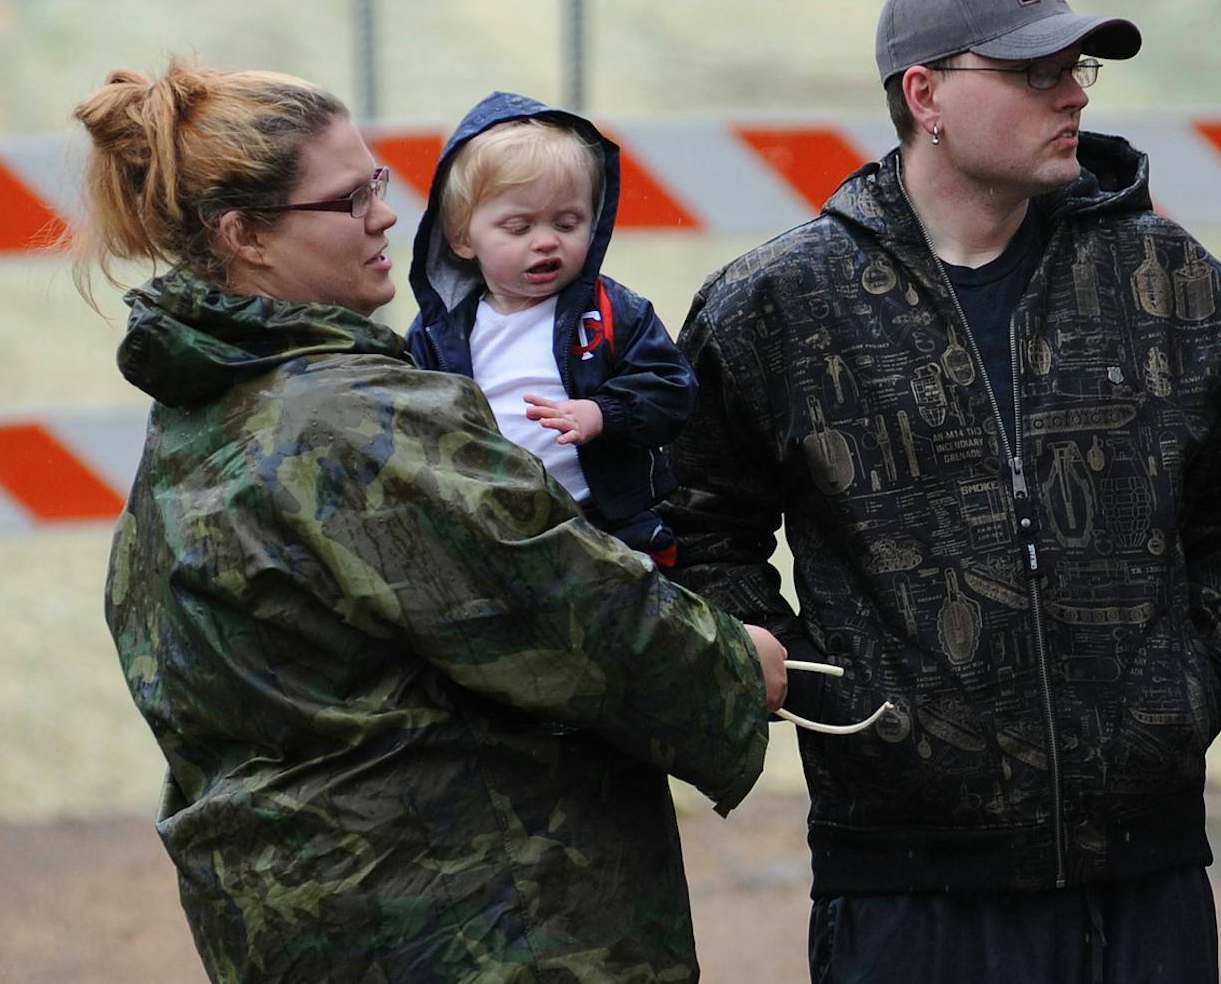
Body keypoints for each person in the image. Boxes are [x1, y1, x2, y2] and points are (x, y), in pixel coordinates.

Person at [71, 61, 787, 983]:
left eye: (375, 182)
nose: (383, 215)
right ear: (245, 235)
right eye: (345, 200)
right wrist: (733, 665)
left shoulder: (196, 420)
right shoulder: (360, 423)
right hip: (470, 926)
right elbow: (557, 611)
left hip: (298, 920)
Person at [663, 0, 1221, 983]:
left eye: (1079, 68)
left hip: (1142, 869)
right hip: (903, 878)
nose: (1071, 92)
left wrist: (1179, 699)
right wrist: (839, 696)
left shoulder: (1166, 279)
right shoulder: (781, 304)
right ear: (927, 95)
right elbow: (697, 523)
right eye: (1035, 70)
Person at [407, 93, 694, 567]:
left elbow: (672, 389)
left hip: (607, 523)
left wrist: (604, 413)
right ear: (462, 238)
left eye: (567, 222)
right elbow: (414, 420)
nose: (546, 242)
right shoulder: (440, 333)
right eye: (519, 228)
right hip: (495, 529)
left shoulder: (612, 311)